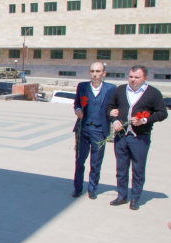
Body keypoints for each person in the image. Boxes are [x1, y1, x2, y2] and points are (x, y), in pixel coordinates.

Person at [106, 65, 167, 210]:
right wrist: (114, 120)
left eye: (137, 77)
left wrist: (144, 120)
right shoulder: (120, 90)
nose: (133, 80)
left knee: (138, 169)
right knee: (121, 168)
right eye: (131, 76)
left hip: (140, 138)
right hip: (121, 137)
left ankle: (135, 198)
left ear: (145, 78)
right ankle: (122, 195)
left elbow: (162, 113)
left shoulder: (153, 93)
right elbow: (109, 108)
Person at [71, 62, 116, 199]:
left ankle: (92, 188)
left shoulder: (111, 88)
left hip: (99, 130)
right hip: (83, 128)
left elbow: (114, 105)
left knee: (96, 162)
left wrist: (115, 113)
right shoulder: (82, 86)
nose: (95, 74)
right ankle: (78, 188)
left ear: (104, 74)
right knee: (79, 160)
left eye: (98, 71)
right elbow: (77, 103)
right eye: (92, 71)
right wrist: (78, 109)